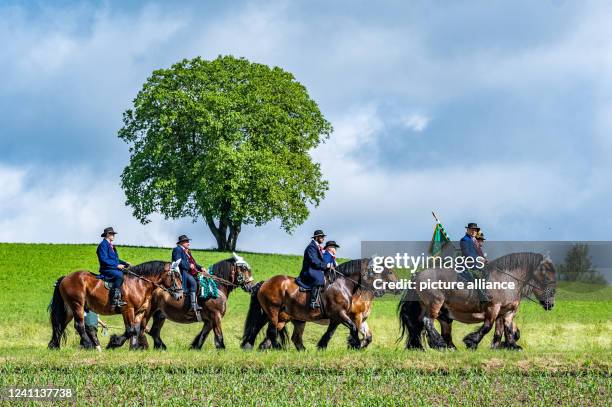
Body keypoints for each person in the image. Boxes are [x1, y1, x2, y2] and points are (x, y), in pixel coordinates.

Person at [296, 230, 333, 309]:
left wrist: (329, 265)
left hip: (315, 269)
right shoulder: (311, 247)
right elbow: (314, 261)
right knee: (319, 278)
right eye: (322, 237)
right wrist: (326, 265)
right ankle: (313, 301)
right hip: (309, 270)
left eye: (323, 237)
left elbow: (321, 261)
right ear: (316, 237)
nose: (323, 238)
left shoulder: (317, 247)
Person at [97, 227, 130, 307]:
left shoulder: (111, 246)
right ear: (108, 234)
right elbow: (103, 260)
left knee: (128, 273)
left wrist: (125, 263)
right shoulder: (102, 245)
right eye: (112, 234)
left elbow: (115, 259)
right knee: (119, 276)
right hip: (106, 269)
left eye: (113, 234)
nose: (114, 236)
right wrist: (116, 265)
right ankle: (114, 300)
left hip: (112, 267)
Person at [172, 235, 205, 313]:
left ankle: (197, 302)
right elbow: (178, 261)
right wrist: (188, 265)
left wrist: (201, 268)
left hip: (187, 271)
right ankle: (192, 305)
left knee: (199, 282)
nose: (188, 243)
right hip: (181, 271)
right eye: (187, 242)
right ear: (182, 243)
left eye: (188, 242)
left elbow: (193, 263)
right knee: (193, 283)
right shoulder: (177, 249)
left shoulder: (187, 251)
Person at [459, 223, 490, 302]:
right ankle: (482, 297)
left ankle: (485, 292)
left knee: (488, 272)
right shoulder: (464, 240)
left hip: (477, 264)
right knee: (479, 276)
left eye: (475, 230)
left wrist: (484, 260)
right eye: (472, 230)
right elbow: (466, 253)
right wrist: (479, 259)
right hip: (469, 265)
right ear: (468, 230)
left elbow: (478, 252)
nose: (474, 231)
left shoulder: (474, 240)